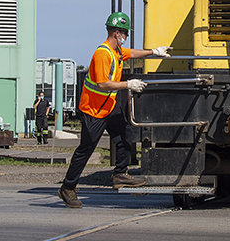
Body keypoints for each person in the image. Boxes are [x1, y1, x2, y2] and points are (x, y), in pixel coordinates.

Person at [57, 12, 171, 208]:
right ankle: (67, 188)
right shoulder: (103, 53)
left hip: (109, 108)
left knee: (126, 134)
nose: (126, 37)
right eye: (124, 33)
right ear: (116, 33)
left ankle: (120, 174)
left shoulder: (117, 51)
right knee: (86, 149)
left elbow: (133, 53)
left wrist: (154, 51)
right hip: (94, 111)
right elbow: (102, 84)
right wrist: (128, 85)